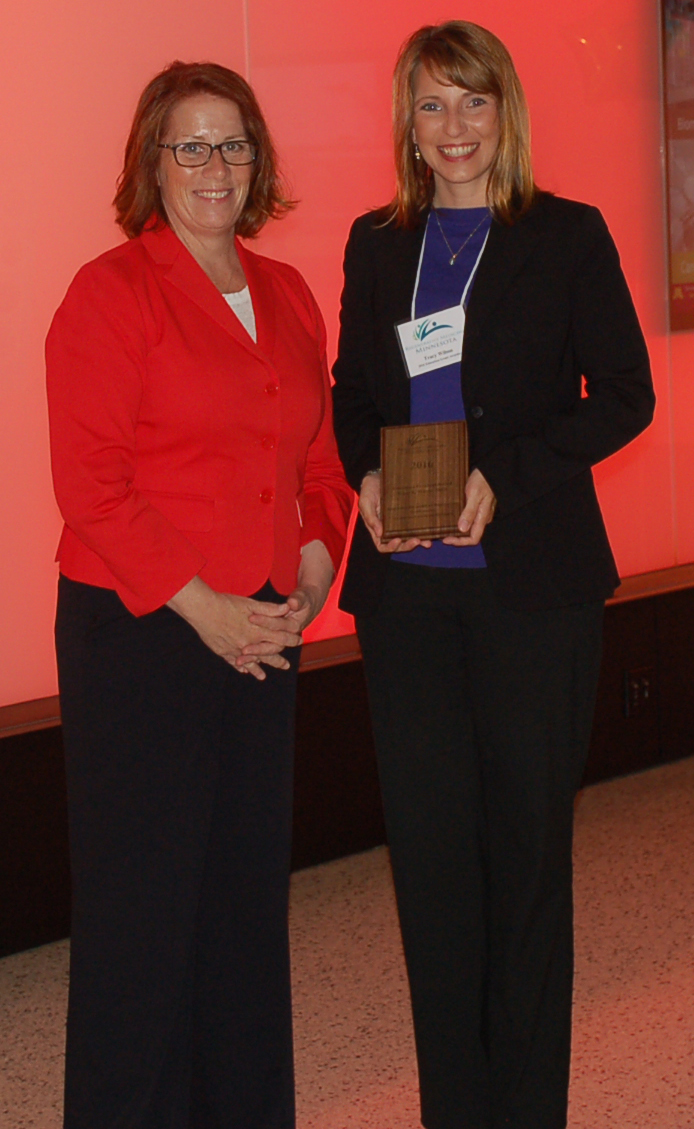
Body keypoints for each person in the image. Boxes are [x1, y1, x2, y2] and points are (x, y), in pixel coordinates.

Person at [332, 21, 654, 1129]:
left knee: (523, 864)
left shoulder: (566, 235)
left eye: (472, 102)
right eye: (431, 105)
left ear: (503, 111)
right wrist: (366, 473)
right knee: (429, 866)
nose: (453, 126)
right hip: (409, 596)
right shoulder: (377, 244)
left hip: (531, 591)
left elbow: (623, 394)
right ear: (407, 127)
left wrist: (504, 479)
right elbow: (350, 395)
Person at [46, 60, 352, 1129]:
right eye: (191, 145)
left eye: (233, 144)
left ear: (257, 160)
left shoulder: (288, 292)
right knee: (144, 916)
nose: (214, 166)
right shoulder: (111, 291)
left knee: (241, 908)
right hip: (142, 631)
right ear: (153, 163)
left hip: (265, 627)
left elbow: (319, 464)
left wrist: (317, 560)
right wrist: (202, 603)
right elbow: (89, 485)